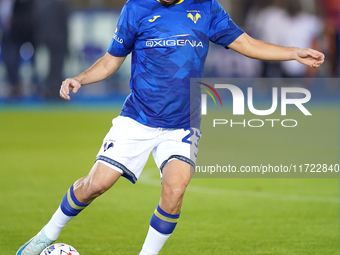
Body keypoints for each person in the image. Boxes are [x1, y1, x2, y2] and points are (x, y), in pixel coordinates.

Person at [16, 0, 324, 255]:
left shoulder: (207, 9)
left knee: (176, 189)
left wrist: (293, 52)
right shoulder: (136, 8)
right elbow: (112, 61)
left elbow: (245, 43)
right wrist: (79, 79)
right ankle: (46, 234)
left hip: (182, 123)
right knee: (96, 185)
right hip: (138, 118)